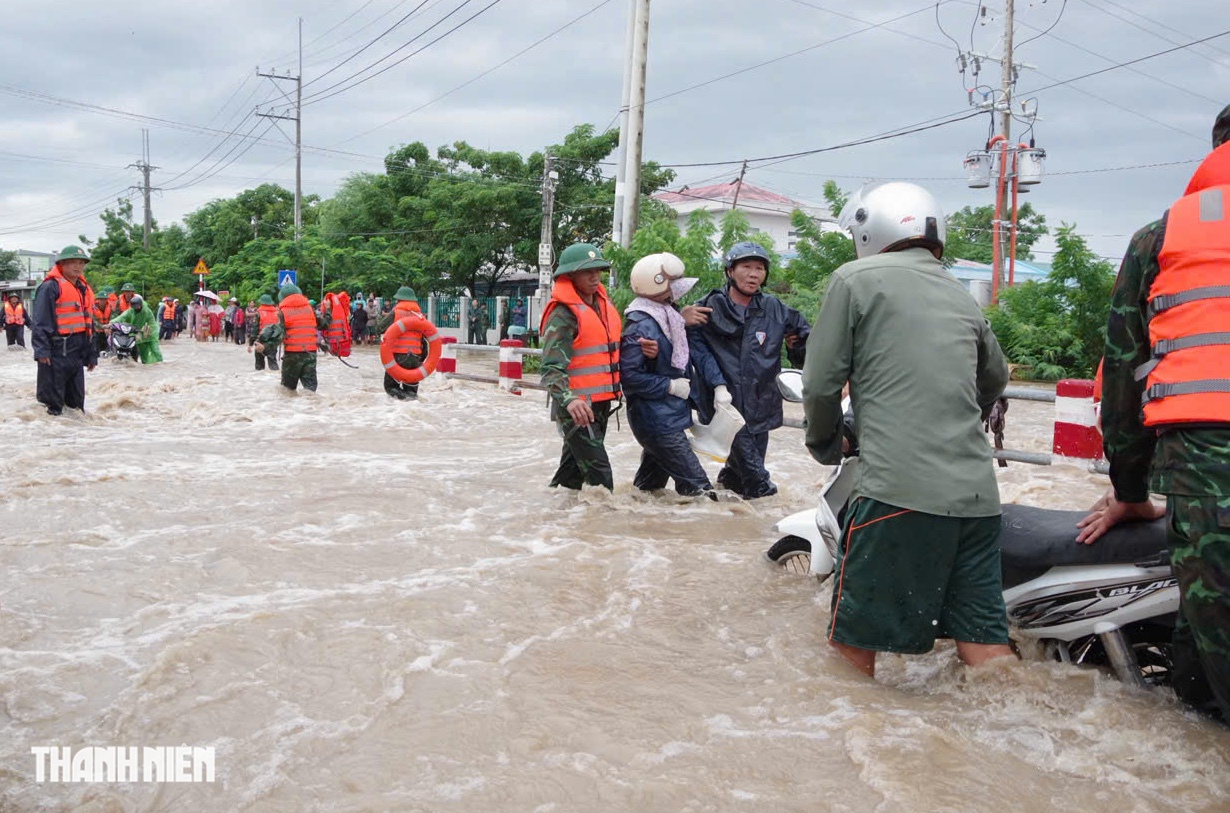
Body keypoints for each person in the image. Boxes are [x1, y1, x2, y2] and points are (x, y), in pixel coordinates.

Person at [801, 182, 1013, 679]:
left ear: (869, 232)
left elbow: (820, 382)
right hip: (978, 501)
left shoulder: (853, 280)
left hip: (896, 495)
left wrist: (826, 442)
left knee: (851, 654)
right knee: (985, 651)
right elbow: (996, 379)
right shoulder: (961, 294)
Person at [1077, 106, 1230, 723]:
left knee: (1214, 602)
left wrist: (1130, 490)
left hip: (1204, 450)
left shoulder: (1165, 235)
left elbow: (1122, 378)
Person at [689, 241, 810, 499]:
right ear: (730, 271)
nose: (754, 274)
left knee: (739, 476)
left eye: (759, 268)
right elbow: (687, 347)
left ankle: (732, 525)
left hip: (762, 403)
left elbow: (807, 338)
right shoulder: (706, 309)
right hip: (726, 406)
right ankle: (768, 527)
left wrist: (796, 346)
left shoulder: (775, 309)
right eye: (746, 266)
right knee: (760, 484)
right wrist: (680, 317)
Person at [620, 252, 728, 498]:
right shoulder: (642, 325)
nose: (677, 292)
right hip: (657, 422)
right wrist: (669, 386)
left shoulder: (667, 318)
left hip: (667, 417)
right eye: (672, 286)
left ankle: (637, 530)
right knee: (700, 492)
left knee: (648, 492)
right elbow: (630, 377)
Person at [540, 242, 622, 491]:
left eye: (597, 269)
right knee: (600, 477)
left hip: (601, 403)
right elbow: (551, 369)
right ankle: (602, 525)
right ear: (570, 275)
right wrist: (570, 400)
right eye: (587, 271)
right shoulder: (563, 314)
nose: (595, 276)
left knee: (572, 475)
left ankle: (553, 518)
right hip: (577, 407)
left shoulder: (601, 306)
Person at [31, 245, 98, 416]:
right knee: (52, 407)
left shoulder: (83, 289)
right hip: (55, 351)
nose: (78, 266)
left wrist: (92, 354)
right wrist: (42, 351)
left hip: (76, 352)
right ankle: (51, 439)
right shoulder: (50, 287)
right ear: (62, 264)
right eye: (72, 262)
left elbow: (89, 324)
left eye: (81, 263)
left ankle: (74, 440)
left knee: (76, 407)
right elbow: (40, 322)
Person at [253, 283, 329, 392]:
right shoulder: (310, 310)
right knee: (310, 392)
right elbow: (324, 325)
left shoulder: (282, 312)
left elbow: (279, 335)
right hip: (310, 355)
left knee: (287, 392)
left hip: (292, 356)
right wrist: (328, 310)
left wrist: (264, 347)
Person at [376, 286, 428, 400]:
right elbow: (426, 342)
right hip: (415, 359)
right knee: (411, 392)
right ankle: (411, 407)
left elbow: (379, 328)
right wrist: (420, 359)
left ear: (399, 300)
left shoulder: (396, 312)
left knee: (390, 387)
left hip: (398, 358)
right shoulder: (420, 316)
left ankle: (398, 411)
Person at [108, 294, 162, 364]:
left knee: (155, 350)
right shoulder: (131, 311)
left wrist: (147, 331)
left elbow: (152, 323)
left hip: (149, 334)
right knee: (143, 354)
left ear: (141, 304)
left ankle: (160, 364)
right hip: (137, 334)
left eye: (137, 306)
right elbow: (121, 317)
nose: (136, 308)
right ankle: (146, 367)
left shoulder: (147, 312)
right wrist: (111, 323)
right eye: (134, 306)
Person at [248, 294, 280, 371]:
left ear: (261, 303)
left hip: (261, 340)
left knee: (259, 364)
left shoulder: (259, 313)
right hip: (273, 340)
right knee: (272, 361)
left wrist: (251, 344)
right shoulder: (277, 312)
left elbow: (255, 330)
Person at [92, 289, 113, 356]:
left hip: (108, 331)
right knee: (96, 351)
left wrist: (109, 327)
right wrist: (103, 327)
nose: (103, 301)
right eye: (101, 299)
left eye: (104, 299)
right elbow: (94, 321)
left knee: (108, 349)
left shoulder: (110, 307)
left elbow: (113, 318)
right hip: (97, 332)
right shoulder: (93, 309)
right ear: (98, 299)